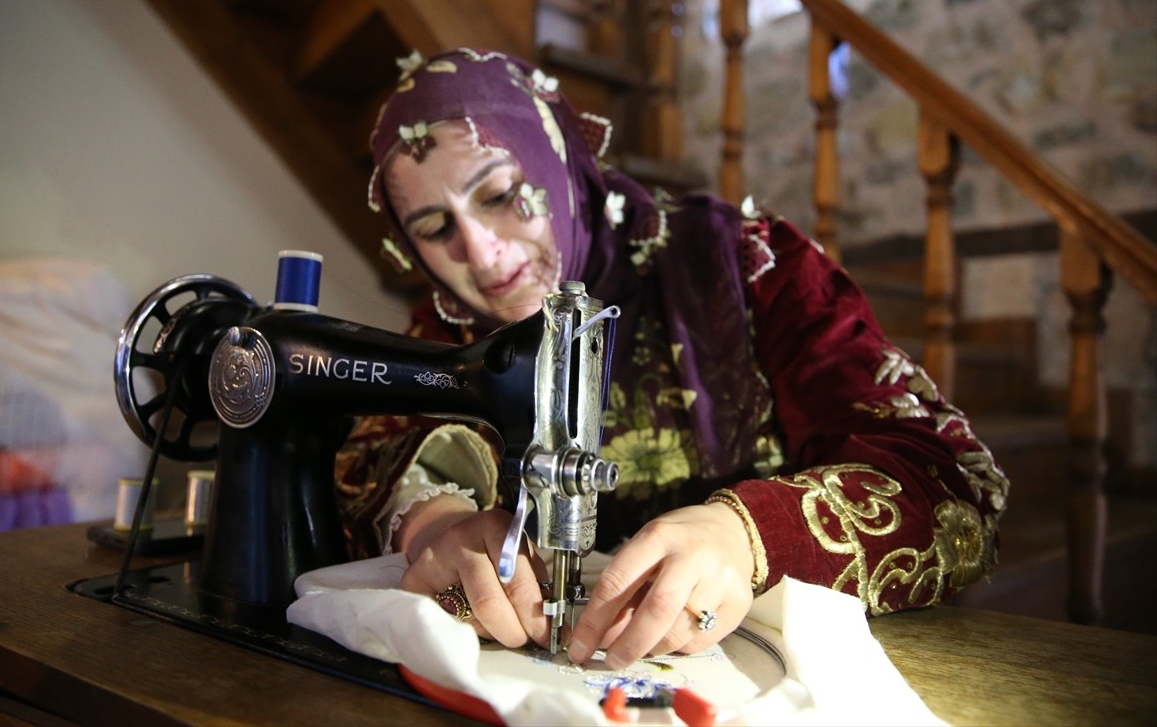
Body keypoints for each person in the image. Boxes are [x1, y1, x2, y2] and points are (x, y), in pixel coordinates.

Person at [334, 47, 1009, 670]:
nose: (481, 255)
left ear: (557, 163)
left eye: (503, 194)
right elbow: (367, 461)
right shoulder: (449, 328)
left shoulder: (747, 268)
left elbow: (951, 480)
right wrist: (431, 521)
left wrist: (749, 537)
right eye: (434, 228)